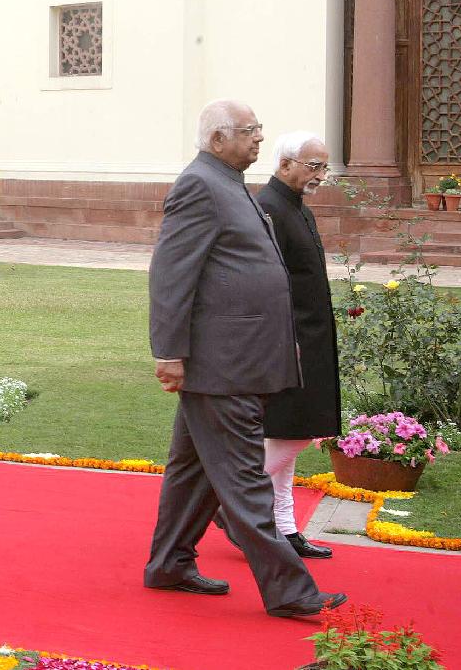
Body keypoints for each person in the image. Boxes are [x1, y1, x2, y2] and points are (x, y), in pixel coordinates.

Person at [144, 99, 346, 618]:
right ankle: (291, 591)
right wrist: (169, 351)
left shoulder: (228, 182)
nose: (259, 137)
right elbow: (171, 274)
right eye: (249, 130)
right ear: (217, 139)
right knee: (245, 479)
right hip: (221, 364)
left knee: (193, 473)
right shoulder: (199, 185)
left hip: (238, 358)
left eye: (259, 128)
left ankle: (169, 563)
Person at [255, 131, 342, 558]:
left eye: (324, 166)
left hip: (309, 339)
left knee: (288, 432)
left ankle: (284, 526)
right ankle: (226, 501)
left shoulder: (295, 207)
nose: (321, 175)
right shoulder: (269, 209)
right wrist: (284, 340)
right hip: (289, 343)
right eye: (314, 166)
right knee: (294, 432)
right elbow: (267, 285)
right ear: (285, 163)